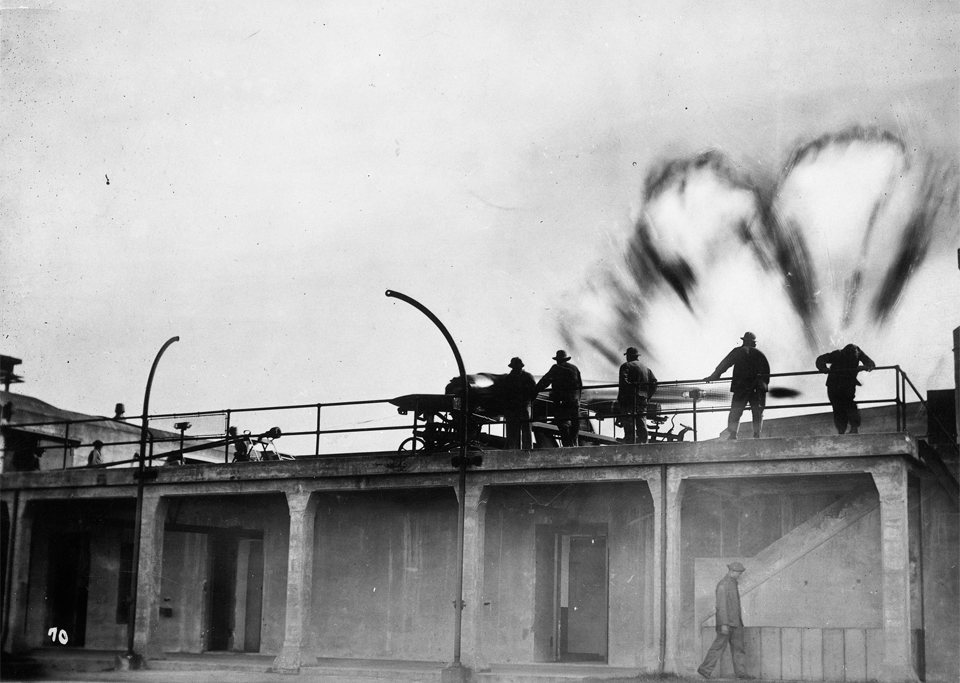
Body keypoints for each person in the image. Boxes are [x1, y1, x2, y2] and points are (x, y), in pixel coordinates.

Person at [704, 332, 770, 440]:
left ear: (744, 341)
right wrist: (763, 387)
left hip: (741, 387)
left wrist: (713, 377)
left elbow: (724, 365)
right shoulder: (760, 354)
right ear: (753, 342)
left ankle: (733, 434)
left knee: (736, 411)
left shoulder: (738, 351)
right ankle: (757, 435)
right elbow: (766, 373)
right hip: (758, 388)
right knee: (757, 412)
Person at [698, 562, 754, 679]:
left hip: (735, 624)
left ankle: (741, 674)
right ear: (732, 571)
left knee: (738, 649)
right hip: (727, 625)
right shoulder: (723, 585)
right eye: (738, 573)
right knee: (718, 647)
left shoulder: (732, 583)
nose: (739, 575)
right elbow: (721, 606)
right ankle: (704, 669)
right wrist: (723, 624)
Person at [816, 344, 876, 434]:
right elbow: (820, 359)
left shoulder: (858, 354)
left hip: (847, 385)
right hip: (835, 385)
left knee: (849, 406)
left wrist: (864, 367)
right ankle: (842, 430)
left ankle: (852, 428)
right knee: (839, 407)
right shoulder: (838, 354)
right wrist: (823, 368)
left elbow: (871, 364)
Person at [535, 350, 583, 447]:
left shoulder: (556, 368)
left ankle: (567, 447)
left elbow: (545, 381)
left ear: (557, 360)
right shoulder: (575, 368)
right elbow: (580, 385)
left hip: (562, 402)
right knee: (574, 424)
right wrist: (578, 399)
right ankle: (574, 444)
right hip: (575, 401)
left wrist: (535, 390)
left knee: (563, 424)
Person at [617, 347, 658, 444]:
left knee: (629, 422)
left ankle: (630, 444)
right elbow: (654, 383)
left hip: (629, 400)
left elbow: (624, 382)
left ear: (629, 356)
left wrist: (622, 398)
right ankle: (644, 443)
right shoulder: (646, 368)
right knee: (641, 422)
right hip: (642, 399)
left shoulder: (626, 366)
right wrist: (648, 396)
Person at [500, 357, 537, 450]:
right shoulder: (528, 377)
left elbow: (504, 395)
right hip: (521, 406)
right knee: (524, 430)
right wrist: (529, 401)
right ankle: (525, 450)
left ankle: (518, 449)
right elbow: (534, 391)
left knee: (520, 431)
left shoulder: (508, 378)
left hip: (518, 407)